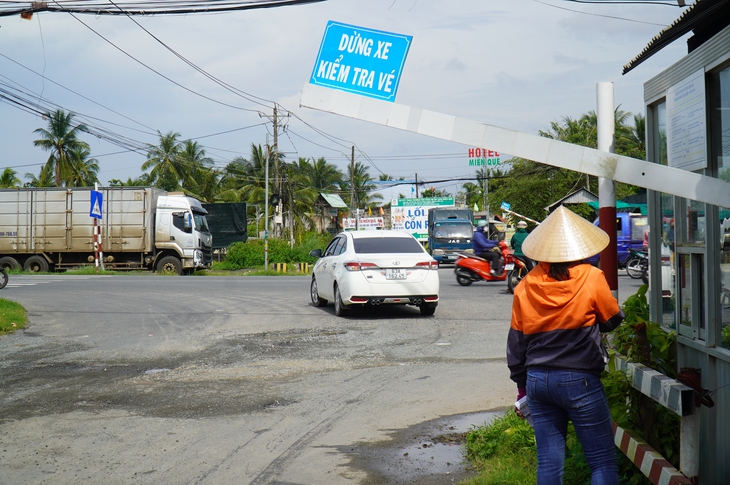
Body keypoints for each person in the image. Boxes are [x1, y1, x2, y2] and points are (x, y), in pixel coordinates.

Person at [506, 206, 624, 485]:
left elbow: (516, 344)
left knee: (549, 461)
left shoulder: (526, 285)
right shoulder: (591, 276)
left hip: (537, 382)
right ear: (578, 246)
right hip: (579, 379)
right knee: (602, 461)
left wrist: (522, 386)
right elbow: (611, 320)